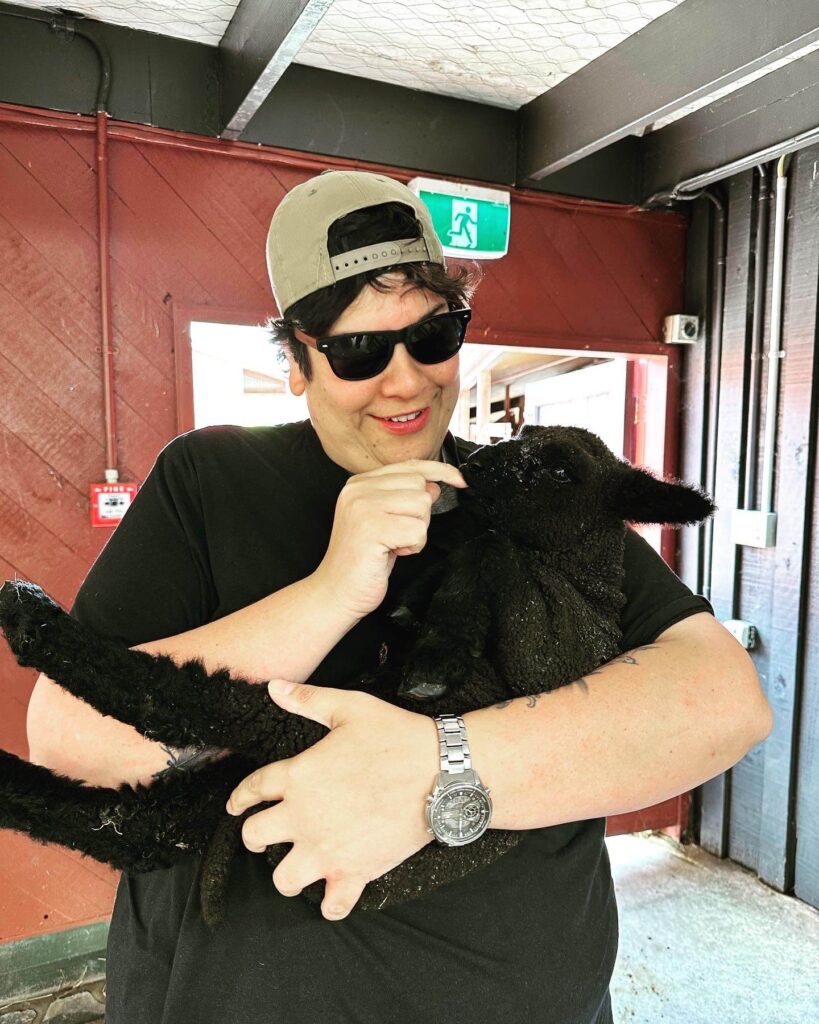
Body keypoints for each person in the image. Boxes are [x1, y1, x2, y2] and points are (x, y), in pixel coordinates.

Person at [26, 169, 772, 1024]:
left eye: (432, 336)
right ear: (296, 361)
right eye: (358, 350)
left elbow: (724, 702)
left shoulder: (524, 486)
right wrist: (332, 591)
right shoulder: (209, 480)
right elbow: (70, 742)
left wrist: (438, 770)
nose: (406, 381)